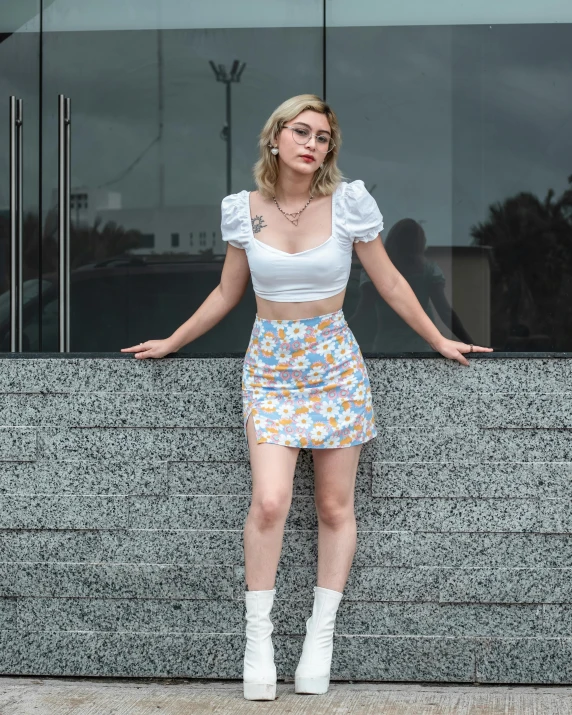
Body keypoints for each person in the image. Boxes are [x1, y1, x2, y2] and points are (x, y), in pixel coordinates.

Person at [120, 94, 493, 701]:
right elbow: (227, 292)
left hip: (334, 365)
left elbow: (392, 281)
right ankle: (259, 641)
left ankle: (320, 638)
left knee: (333, 507)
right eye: (301, 132)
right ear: (276, 139)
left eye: (322, 138)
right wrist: (172, 340)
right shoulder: (245, 211)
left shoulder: (348, 204)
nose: (311, 144)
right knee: (269, 502)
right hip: (269, 367)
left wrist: (439, 337)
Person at [350, 218, 475, 352]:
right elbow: (444, 312)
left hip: (387, 347)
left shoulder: (375, 272)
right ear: (420, 244)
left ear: (392, 242)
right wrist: (471, 343)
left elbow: (363, 313)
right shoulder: (429, 271)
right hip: (420, 349)